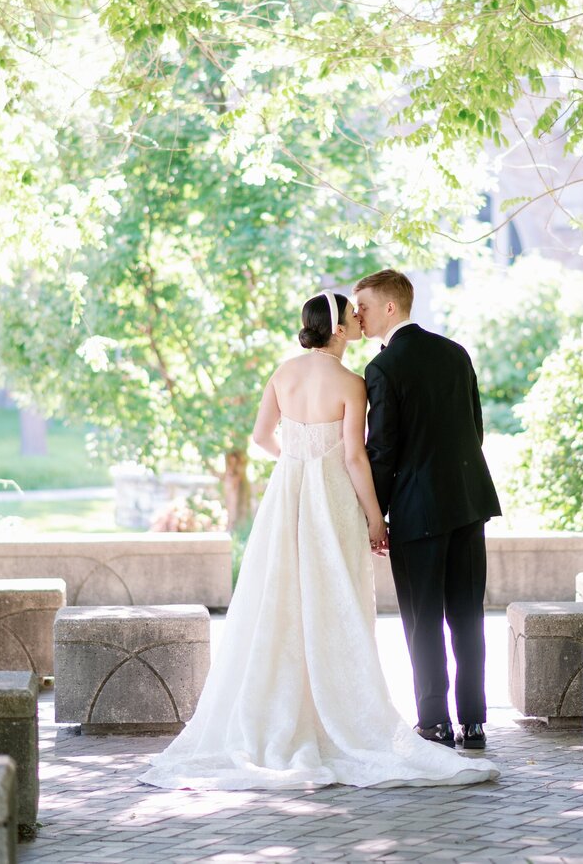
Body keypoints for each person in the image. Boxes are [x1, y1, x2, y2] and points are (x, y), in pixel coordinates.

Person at [140, 290, 499, 791]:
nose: (359, 319)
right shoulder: (358, 380)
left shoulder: (284, 374)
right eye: (352, 315)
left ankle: (415, 719)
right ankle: (471, 721)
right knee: (351, 600)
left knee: (281, 596)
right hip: (351, 497)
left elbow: (264, 437)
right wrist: (375, 515)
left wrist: (298, 457)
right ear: (338, 328)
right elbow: (357, 456)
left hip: (289, 494)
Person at [354, 269, 502, 751]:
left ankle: (435, 723)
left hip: (418, 514)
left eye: (365, 307)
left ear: (390, 308)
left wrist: (372, 511)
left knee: (422, 622)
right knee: (467, 617)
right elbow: (475, 430)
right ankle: (475, 723)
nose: (359, 316)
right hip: (467, 503)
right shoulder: (455, 353)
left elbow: (383, 451)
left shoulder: (383, 369)